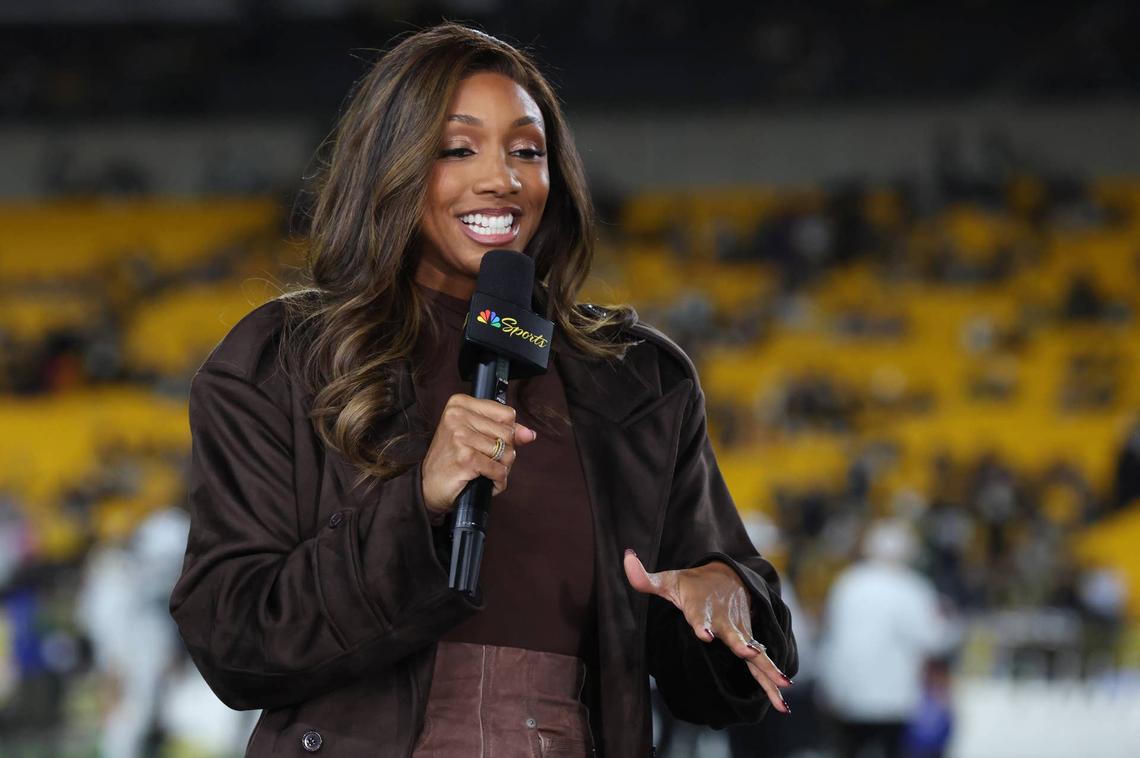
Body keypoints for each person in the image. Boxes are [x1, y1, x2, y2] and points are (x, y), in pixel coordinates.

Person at [169, 23, 796, 757]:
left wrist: (727, 595)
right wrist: (419, 506)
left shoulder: (640, 381)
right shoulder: (282, 360)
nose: (500, 178)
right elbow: (235, 641)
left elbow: (724, 682)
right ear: (391, 165)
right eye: (457, 149)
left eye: (526, 151)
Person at [817, 520, 955, 758]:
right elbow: (933, 639)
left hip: (848, 692)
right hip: (893, 699)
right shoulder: (912, 588)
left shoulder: (848, 583)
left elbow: (830, 633)